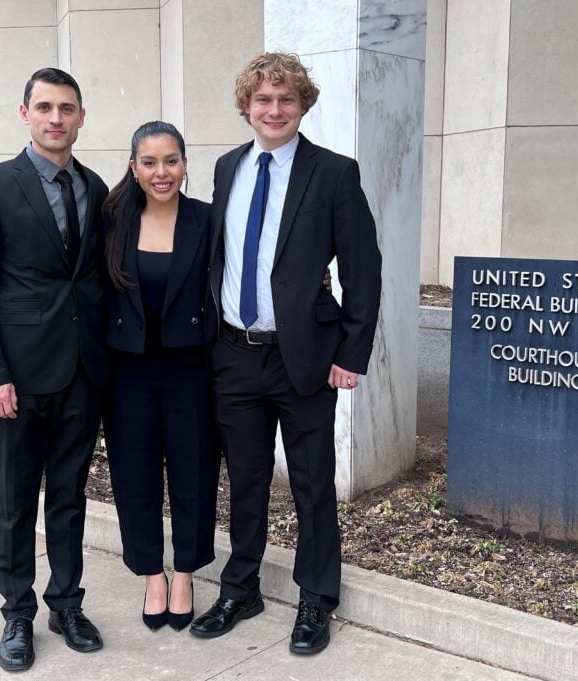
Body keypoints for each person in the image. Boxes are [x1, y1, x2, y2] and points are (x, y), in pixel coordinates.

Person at [189, 53, 382, 654]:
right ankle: (241, 586)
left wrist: (352, 351)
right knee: (244, 481)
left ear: (303, 105)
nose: (274, 110)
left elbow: (364, 269)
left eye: (287, 100)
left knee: (312, 484)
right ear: (247, 105)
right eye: (264, 100)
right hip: (234, 354)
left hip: (305, 358)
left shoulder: (334, 173)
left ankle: (316, 599)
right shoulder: (227, 168)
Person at [0, 67, 109, 672]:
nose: (56, 118)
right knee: (17, 501)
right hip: (15, 380)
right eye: (44, 107)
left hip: (81, 374)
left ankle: (65, 603)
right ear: (25, 113)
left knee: (70, 497)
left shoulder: (96, 187)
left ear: (79, 116)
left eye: (66, 108)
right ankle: (16, 612)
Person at [100, 121, 218, 632]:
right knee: (135, 476)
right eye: (149, 162)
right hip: (128, 371)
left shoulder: (208, 221)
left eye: (171, 160)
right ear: (134, 167)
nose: (161, 172)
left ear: (185, 164)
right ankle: (151, 572)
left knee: (194, 475)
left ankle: (186, 572)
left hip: (191, 369)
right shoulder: (113, 222)